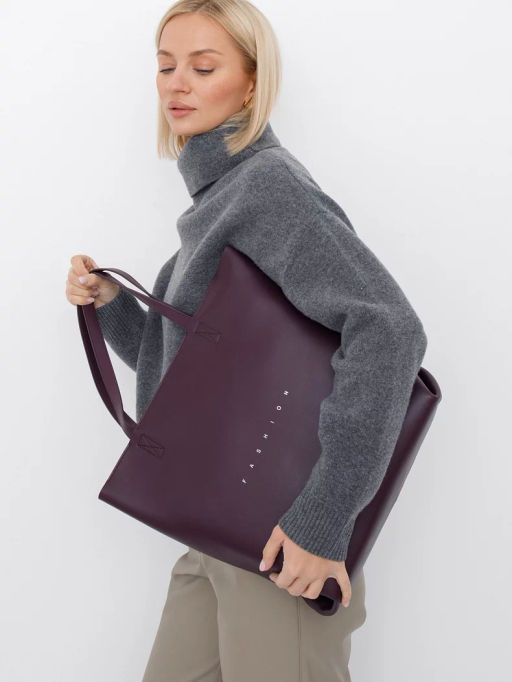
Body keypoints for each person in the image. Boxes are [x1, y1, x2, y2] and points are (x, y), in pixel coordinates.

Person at [66, 1, 427, 680]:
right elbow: (194, 373)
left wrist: (324, 519)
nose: (177, 84)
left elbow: (389, 329)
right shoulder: (219, 198)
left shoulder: (267, 186)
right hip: (217, 534)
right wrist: (113, 306)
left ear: (253, 83)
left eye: (203, 68)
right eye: (166, 66)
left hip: (282, 548)